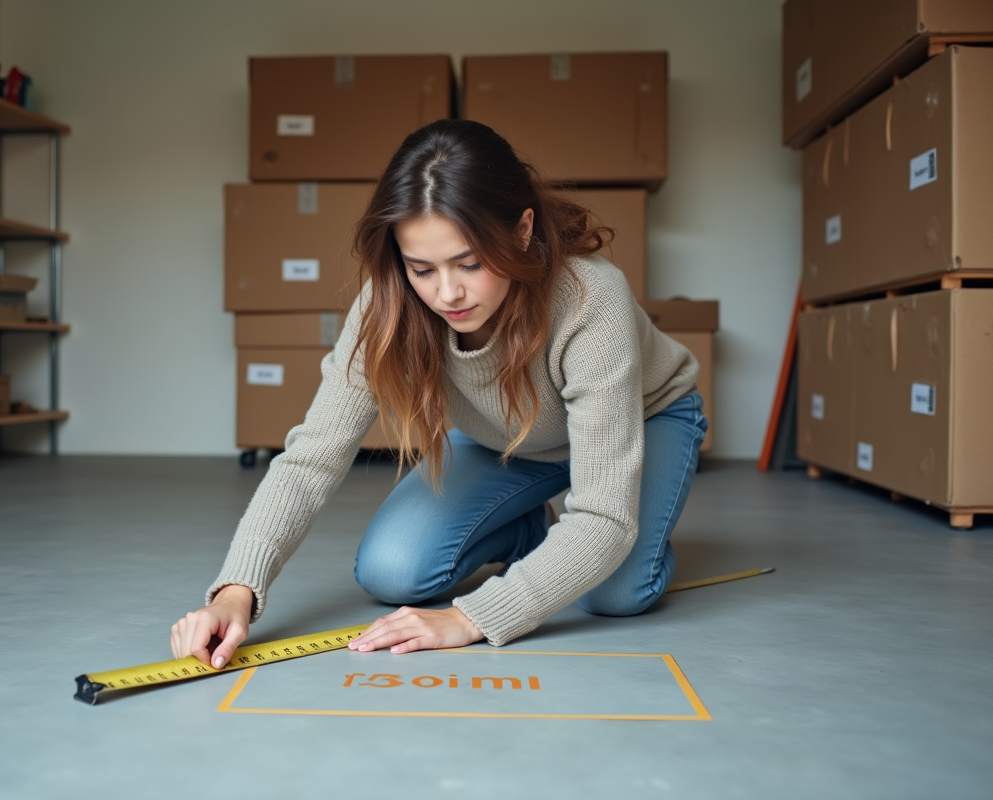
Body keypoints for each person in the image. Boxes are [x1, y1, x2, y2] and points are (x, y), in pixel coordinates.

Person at [170, 119, 706, 667]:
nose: (448, 293)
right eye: (422, 268)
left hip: (645, 420)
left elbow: (603, 517)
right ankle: (530, 530)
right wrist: (236, 589)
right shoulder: (390, 303)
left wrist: (471, 617)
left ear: (522, 230)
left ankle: (636, 528)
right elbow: (312, 458)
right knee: (393, 570)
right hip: (507, 438)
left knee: (612, 594)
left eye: (470, 263)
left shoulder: (592, 299)